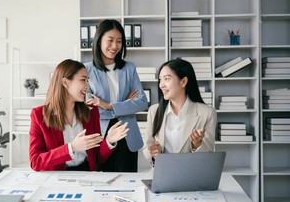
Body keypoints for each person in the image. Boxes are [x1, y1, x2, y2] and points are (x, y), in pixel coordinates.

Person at [29, 59, 129, 171]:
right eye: (83, 80)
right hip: (57, 177)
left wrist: (109, 141)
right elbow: (35, 162)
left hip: (86, 173)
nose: (87, 85)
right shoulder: (38, 115)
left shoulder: (92, 112)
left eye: (88, 80)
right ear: (65, 83)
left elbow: (97, 158)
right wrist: (72, 148)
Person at [85, 19, 148, 172]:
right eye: (110, 40)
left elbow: (142, 102)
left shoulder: (129, 68)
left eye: (119, 41)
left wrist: (107, 105)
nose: (115, 46)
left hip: (126, 131)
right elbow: (88, 106)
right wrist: (126, 104)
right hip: (100, 133)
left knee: (128, 181)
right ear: (99, 40)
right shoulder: (86, 70)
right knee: (102, 182)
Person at [143, 58, 217, 167]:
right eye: (160, 79)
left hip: (192, 177)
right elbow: (147, 146)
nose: (161, 85)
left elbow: (208, 153)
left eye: (167, 79)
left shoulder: (207, 113)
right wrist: (154, 154)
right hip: (162, 174)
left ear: (183, 82)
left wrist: (197, 145)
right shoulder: (154, 111)